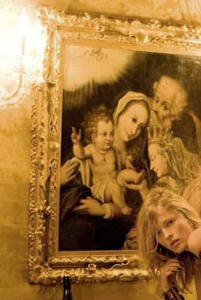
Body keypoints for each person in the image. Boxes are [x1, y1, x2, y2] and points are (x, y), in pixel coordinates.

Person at [59, 92, 151, 250]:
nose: (134, 129)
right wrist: (57, 180)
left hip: (116, 236)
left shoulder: (136, 162)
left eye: (140, 127)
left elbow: (136, 214)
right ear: (119, 113)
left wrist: (105, 210)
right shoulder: (90, 150)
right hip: (89, 228)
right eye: (133, 119)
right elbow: (70, 194)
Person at [71, 106, 145, 216]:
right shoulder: (91, 150)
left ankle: (136, 177)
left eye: (111, 134)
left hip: (118, 185)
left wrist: (126, 162)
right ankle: (123, 207)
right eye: (104, 134)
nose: (109, 138)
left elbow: (121, 159)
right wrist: (77, 143)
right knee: (112, 186)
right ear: (94, 137)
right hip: (101, 190)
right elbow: (80, 154)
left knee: (124, 174)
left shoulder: (113, 150)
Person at [148, 131, 201, 215]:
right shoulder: (163, 185)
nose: (151, 167)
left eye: (153, 159)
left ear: (166, 156)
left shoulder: (195, 170)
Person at [150, 75, 201, 156]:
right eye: (157, 100)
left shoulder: (186, 125)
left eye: (165, 107)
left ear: (173, 113)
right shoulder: (145, 112)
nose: (155, 108)